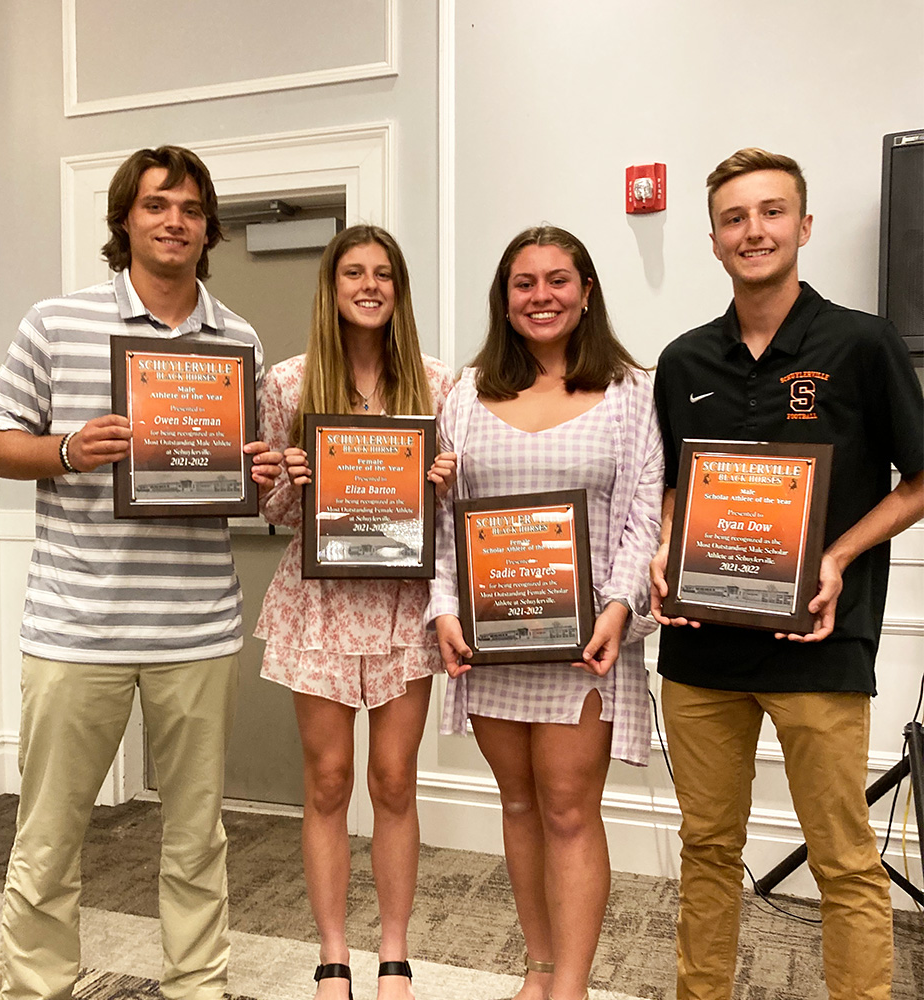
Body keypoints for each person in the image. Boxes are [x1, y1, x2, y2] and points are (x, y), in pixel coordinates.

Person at [0, 145, 283, 1000]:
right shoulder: (55, 322)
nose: (174, 221)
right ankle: (36, 988)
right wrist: (68, 450)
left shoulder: (238, 339)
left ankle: (197, 985)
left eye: (189, 208)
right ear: (125, 221)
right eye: (156, 205)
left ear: (208, 227)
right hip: (76, 627)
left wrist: (260, 476)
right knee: (49, 833)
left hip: (197, 628)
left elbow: (240, 476)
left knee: (196, 836)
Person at [650, 147, 924, 1000]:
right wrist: (666, 551)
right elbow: (672, 489)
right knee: (707, 849)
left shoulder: (863, 343)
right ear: (713, 238)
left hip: (820, 643)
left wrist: (838, 556)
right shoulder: (684, 360)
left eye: (771, 212)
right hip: (702, 655)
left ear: (802, 226)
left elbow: (918, 481)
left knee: (843, 860)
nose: (753, 230)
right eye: (735, 217)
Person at [427, 225, 663, 1000]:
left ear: (587, 291)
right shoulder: (464, 395)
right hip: (491, 641)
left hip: (585, 643)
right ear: (504, 299)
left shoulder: (631, 391)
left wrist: (622, 608)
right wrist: (444, 609)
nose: (541, 297)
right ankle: (536, 967)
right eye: (523, 283)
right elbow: (442, 519)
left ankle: (574, 985)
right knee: (519, 802)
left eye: (558, 280)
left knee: (567, 809)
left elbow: (641, 520)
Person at [255, 224, 455, 1000]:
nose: (369, 286)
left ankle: (395, 955)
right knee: (329, 782)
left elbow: (458, 512)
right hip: (320, 609)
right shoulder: (287, 382)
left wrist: (444, 481)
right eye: (353, 274)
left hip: (404, 609)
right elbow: (269, 506)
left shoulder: (441, 384)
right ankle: (333, 955)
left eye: (383, 275)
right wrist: (293, 482)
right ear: (332, 289)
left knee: (395, 780)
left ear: (398, 290)